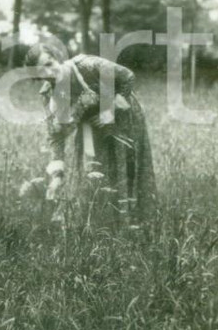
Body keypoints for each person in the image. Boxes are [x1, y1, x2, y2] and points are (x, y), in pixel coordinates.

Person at [24, 43, 156, 223]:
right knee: (92, 170)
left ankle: (132, 221)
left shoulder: (87, 66)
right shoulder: (49, 94)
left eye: (49, 64)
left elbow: (127, 76)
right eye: (42, 72)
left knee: (124, 165)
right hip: (91, 126)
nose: (49, 73)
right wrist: (57, 176)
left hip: (124, 118)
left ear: (57, 58)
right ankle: (101, 222)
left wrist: (110, 110)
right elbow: (55, 135)